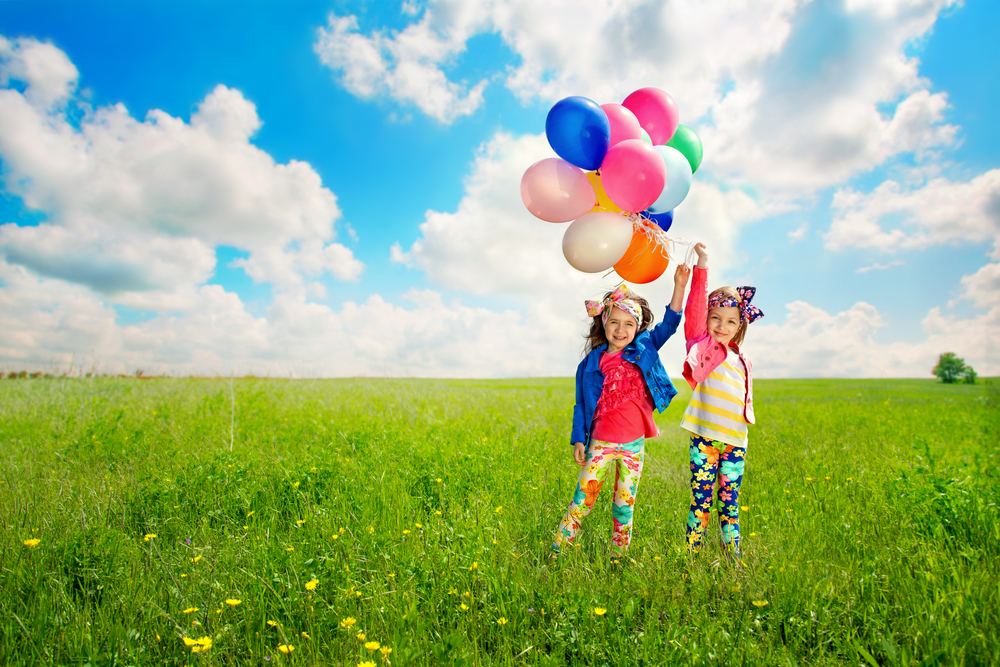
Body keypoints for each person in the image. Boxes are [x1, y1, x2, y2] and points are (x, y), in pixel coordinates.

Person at [552, 266, 690, 561]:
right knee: (582, 500)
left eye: (629, 323)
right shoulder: (591, 363)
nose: (620, 329)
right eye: (614, 322)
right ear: (603, 323)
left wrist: (679, 285)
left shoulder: (645, 348)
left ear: (637, 328)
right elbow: (581, 405)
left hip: (632, 446)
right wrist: (579, 439)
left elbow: (671, 323)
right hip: (600, 445)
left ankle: (618, 557)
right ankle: (557, 550)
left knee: (624, 506)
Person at [679, 243, 763, 557]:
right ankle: (690, 557)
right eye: (716, 318)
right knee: (700, 502)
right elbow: (696, 308)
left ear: (740, 324)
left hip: (736, 442)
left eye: (731, 321)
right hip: (705, 440)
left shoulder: (743, 359)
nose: (722, 326)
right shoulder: (703, 348)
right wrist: (702, 264)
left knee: (730, 504)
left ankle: (733, 561)